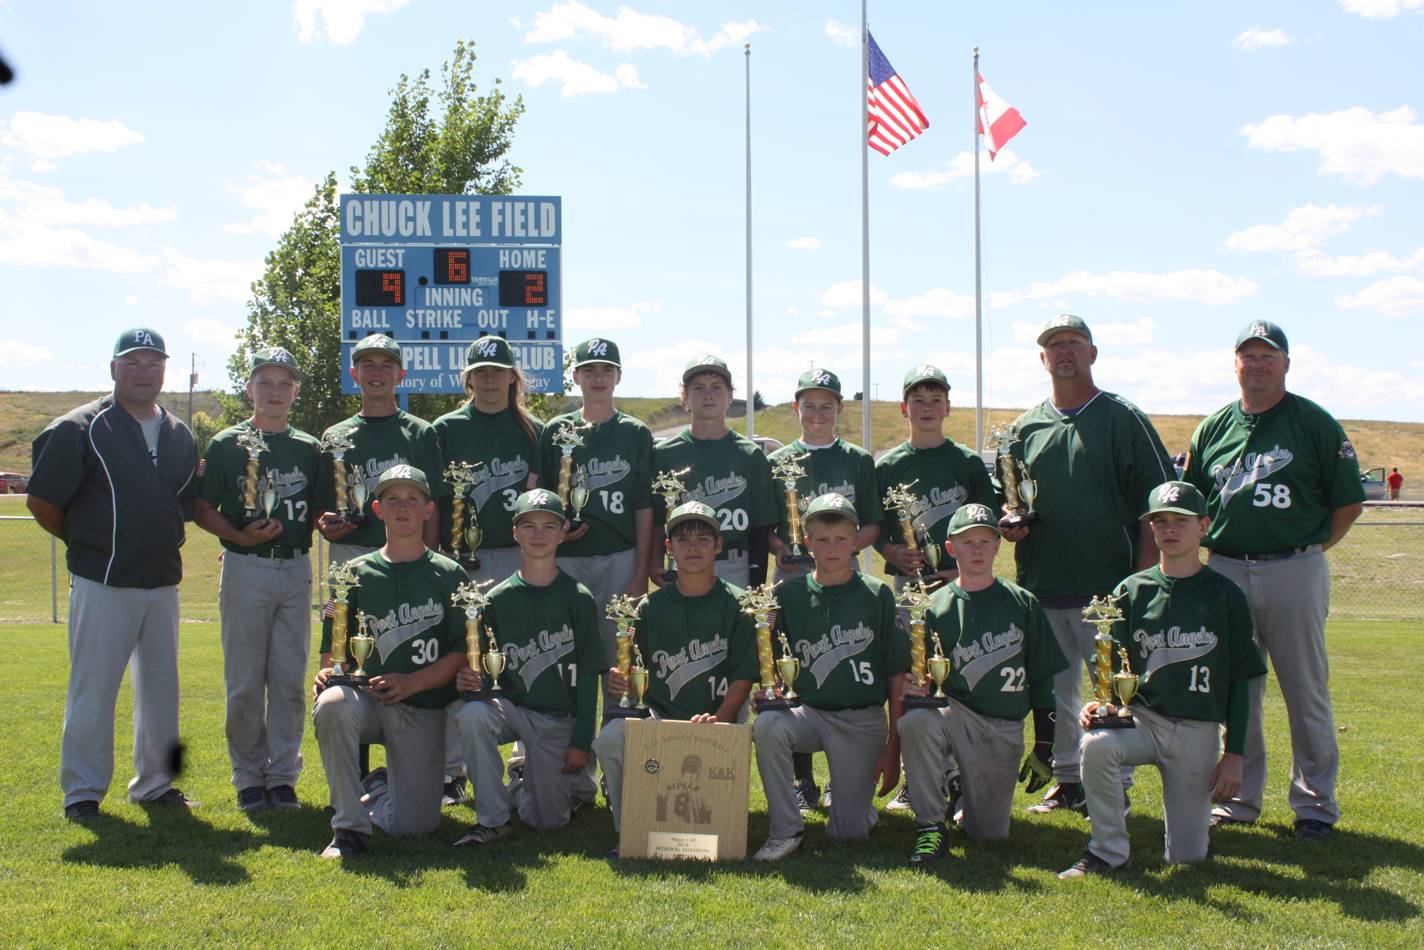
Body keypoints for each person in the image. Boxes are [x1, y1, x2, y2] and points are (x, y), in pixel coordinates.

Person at [1184, 320, 1364, 839]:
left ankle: (1314, 806)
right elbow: (1194, 503)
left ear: (1286, 363)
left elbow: (1348, 502)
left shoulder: (1313, 422)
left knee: (1304, 688)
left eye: (1269, 355)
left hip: (1293, 566)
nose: (1258, 364)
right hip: (1225, 567)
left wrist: (1308, 550)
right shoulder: (1214, 427)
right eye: (1249, 355)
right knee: (1238, 687)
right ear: (1234, 363)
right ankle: (1238, 797)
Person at [1000, 314, 1174, 816]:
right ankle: (1066, 780)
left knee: (1111, 691)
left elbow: (1155, 501)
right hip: (1045, 583)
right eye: (1055, 345)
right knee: (1056, 694)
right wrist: (1013, 523)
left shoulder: (1122, 416)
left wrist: (1143, 578)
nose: (1065, 352)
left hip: (1108, 585)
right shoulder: (1023, 428)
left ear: (1093, 354)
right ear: (1042, 358)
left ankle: (1113, 782)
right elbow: (1009, 499)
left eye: (1075, 343)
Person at [29, 327, 199, 821]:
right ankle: (82, 792)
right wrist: (90, 544)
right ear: (113, 368)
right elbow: (43, 502)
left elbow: (184, 503)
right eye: (133, 361)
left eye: (152, 362)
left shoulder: (178, 432)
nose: (143, 371)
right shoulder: (79, 426)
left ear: (164, 370)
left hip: (162, 582)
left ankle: (158, 783)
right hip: (103, 582)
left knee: (163, 693)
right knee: (94, 688)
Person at [1060, 481, 1266, 877]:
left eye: (1180, 521)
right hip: (1143, 720)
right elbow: (1111, 665)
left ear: (1203, 526)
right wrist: (1099, 703)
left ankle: (1180, 837)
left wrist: (1235, 755)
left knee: (1187, 858)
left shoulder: (1226, 595)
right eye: (1160, 522)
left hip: (1198, 730)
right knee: (1097, 744)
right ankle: (1108, 851)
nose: (1169, 530)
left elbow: (1243, 681)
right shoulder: (1130, 591)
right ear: (1151, 529)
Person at [311, 465, 467, 859]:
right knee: (331, 706)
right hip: (366, 702)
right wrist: (329, 670)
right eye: (393, 499)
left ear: (429, 510)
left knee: (414, 827)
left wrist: (413, 683)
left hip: (421, 705)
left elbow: (461, 652)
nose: (403, 508)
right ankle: (348, 827)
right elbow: (335, 645)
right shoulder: (352, 574)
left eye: (413, 499)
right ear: (377, 509)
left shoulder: (450, 574)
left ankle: (378, 785)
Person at [898, 503, 1066, 866]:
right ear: (951, 548)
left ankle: (957, 786)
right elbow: (917, 675)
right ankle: (930, 826)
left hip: (1002, 726)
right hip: (954, 715)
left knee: (988, 833)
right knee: (916, 720)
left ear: (997, 546)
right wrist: (914, 688)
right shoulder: (932, 608)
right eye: (967, 541)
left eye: (985, 541)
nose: (976, 549)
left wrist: (1045, 744)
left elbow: (1043, 679)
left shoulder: (1023, 603)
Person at [193, 347, 322, 811]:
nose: (273, 391)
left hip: (295, 566)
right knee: (245, 681)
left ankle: (283, 776)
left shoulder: (309, 448)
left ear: (295, 391)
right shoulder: (227, 443)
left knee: (289, 681)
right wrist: (237, 537)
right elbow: (202, 507)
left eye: (283, 383)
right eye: (264, 382)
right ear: (249, 389)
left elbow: (326, 507)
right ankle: (248, 776)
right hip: (246, 567)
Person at [592, 500, 757, 857]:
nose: (693, 547)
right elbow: (637, 667)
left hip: (719, 714)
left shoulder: (739, 604)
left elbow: (744, 675)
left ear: (719, 545)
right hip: (659, 715)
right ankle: (628, 832)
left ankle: (719, 824)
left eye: (702, 538)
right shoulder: (651, 607)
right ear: (668, 549)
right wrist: (624, 680)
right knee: (608, 740)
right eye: (683, 540)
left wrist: (721, 719)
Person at [751, 494, 908, 860]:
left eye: (841, 538)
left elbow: (897, 675)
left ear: (855, 541)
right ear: (807, 543)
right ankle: (785, 831)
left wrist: (893, 749)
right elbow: (768, 658)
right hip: (809, 714)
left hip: (861, 719)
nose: (832, 547)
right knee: (769, 726)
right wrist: (768, 691)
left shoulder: (876, 594)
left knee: (848, 834)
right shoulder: (788, 593)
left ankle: (855, 804)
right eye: (821, 539)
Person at [873, 363, 998, 814]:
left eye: (936, 399)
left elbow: (988, 524)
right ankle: (915, 777)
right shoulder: (886, 465)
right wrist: (891, 553)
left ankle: (959, 774)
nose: (927, 407)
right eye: (918, 400)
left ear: (947, 406)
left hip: (958, 585)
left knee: (956, 676)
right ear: (905, 407)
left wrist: (959, 569)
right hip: (910, 586)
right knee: (911, 679)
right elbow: (874, 528)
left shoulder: (965, 462)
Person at [453, 489, 606, 845]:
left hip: (558, 719)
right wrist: (468, 679)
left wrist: (582, 741)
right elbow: (481, 668)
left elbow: (587, 677)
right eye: (529, 525)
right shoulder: (494, 600)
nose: (539, 534)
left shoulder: (578, 597)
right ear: (515, 532)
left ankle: (527, 779)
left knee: (547, 823)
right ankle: (492, 819)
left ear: (564, 531)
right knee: (472, 715)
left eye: (549, 526)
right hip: (512, 709)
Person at [432, 335, 545, 804]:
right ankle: (453, 769)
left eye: (499, 371)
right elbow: (438, 502)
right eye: (482, 371)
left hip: (520, 557)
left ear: (513, 377)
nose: (491, 379)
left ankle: (522, 761)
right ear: (469, 378)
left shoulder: (532, 429)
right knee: (464, 654)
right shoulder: (445, 428)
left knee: (522, 653)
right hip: (463, 559)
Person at [770, 368, 885, 813]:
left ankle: (845, 775)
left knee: (843, 660)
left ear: (840, 409)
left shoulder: (858, 459)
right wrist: (784, 548)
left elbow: (874, 521)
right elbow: (766, 524)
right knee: (791, 669)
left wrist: (837, 549)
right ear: (796, 408)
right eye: (809, 404)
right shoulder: (777, 461)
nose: (818, 413)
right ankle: (802, 780)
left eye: (827, 404)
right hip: (792, 579)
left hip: (843, 580)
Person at [540, 337, 654, 716]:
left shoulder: (635, 433)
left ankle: (617, 745)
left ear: (619, 376)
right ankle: (567, 755)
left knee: (619, 657)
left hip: (619, 556)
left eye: (607, 369)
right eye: (590, 369)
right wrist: (556, 534)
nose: (598, 377)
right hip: (567, 560)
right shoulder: (556, 430)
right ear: (575, 376)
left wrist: (640, 572)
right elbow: (541, 501)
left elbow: (644, 506)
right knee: (565, 656)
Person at [316, 333, 447, 566]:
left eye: (387, 365)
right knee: (346, 603)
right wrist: (324, 524)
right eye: (368, 365)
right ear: (354, 374)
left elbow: (433, 503)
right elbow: (322, 504)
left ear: (401, 376)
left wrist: (428, 558)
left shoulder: (420, 432)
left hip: (408, 550)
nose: (377, 373)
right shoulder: (334, 436)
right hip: (350, 550)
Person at [650, 354, 777, 590]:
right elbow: (657, 519)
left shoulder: (749, 454)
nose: (708, 394)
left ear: (730, 396)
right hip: (681, 565)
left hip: (734, 563)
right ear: (685, 398)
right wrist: (657, 561)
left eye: (717, 387)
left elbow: (760, 527)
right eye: (698, 388)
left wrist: (757, 583)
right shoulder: (663, 453)